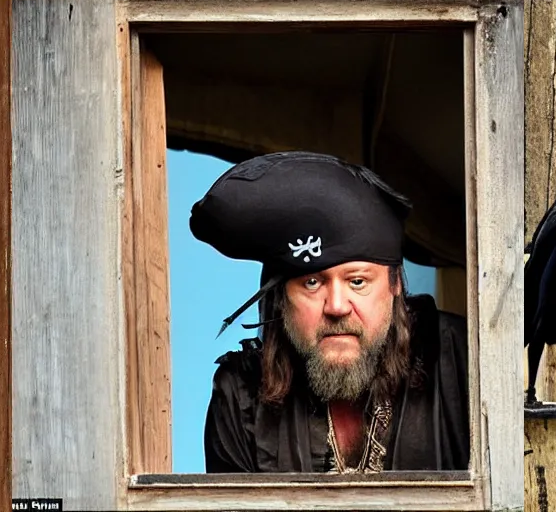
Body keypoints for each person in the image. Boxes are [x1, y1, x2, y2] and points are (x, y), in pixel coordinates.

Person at [190, 151, 469, 473]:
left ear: (395, 285)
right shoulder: (241, 394)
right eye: (312, 283)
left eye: (358, 281)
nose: (336, 306)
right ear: (282, 298)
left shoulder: (460, 360)